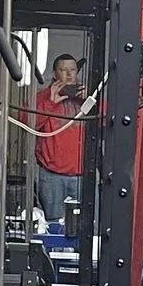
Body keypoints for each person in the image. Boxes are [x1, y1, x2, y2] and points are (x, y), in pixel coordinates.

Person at [32, 53, 88, 228]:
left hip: (82, 176)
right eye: (64, 70)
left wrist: (90, 101)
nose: (69, 74)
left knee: (85, 227)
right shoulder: (43, 98)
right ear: (55, 74)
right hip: (52, 176)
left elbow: (108, 123)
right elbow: (27, 123)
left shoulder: (87, 98)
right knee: (53, 226)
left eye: (73, 70)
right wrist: (50, 102)